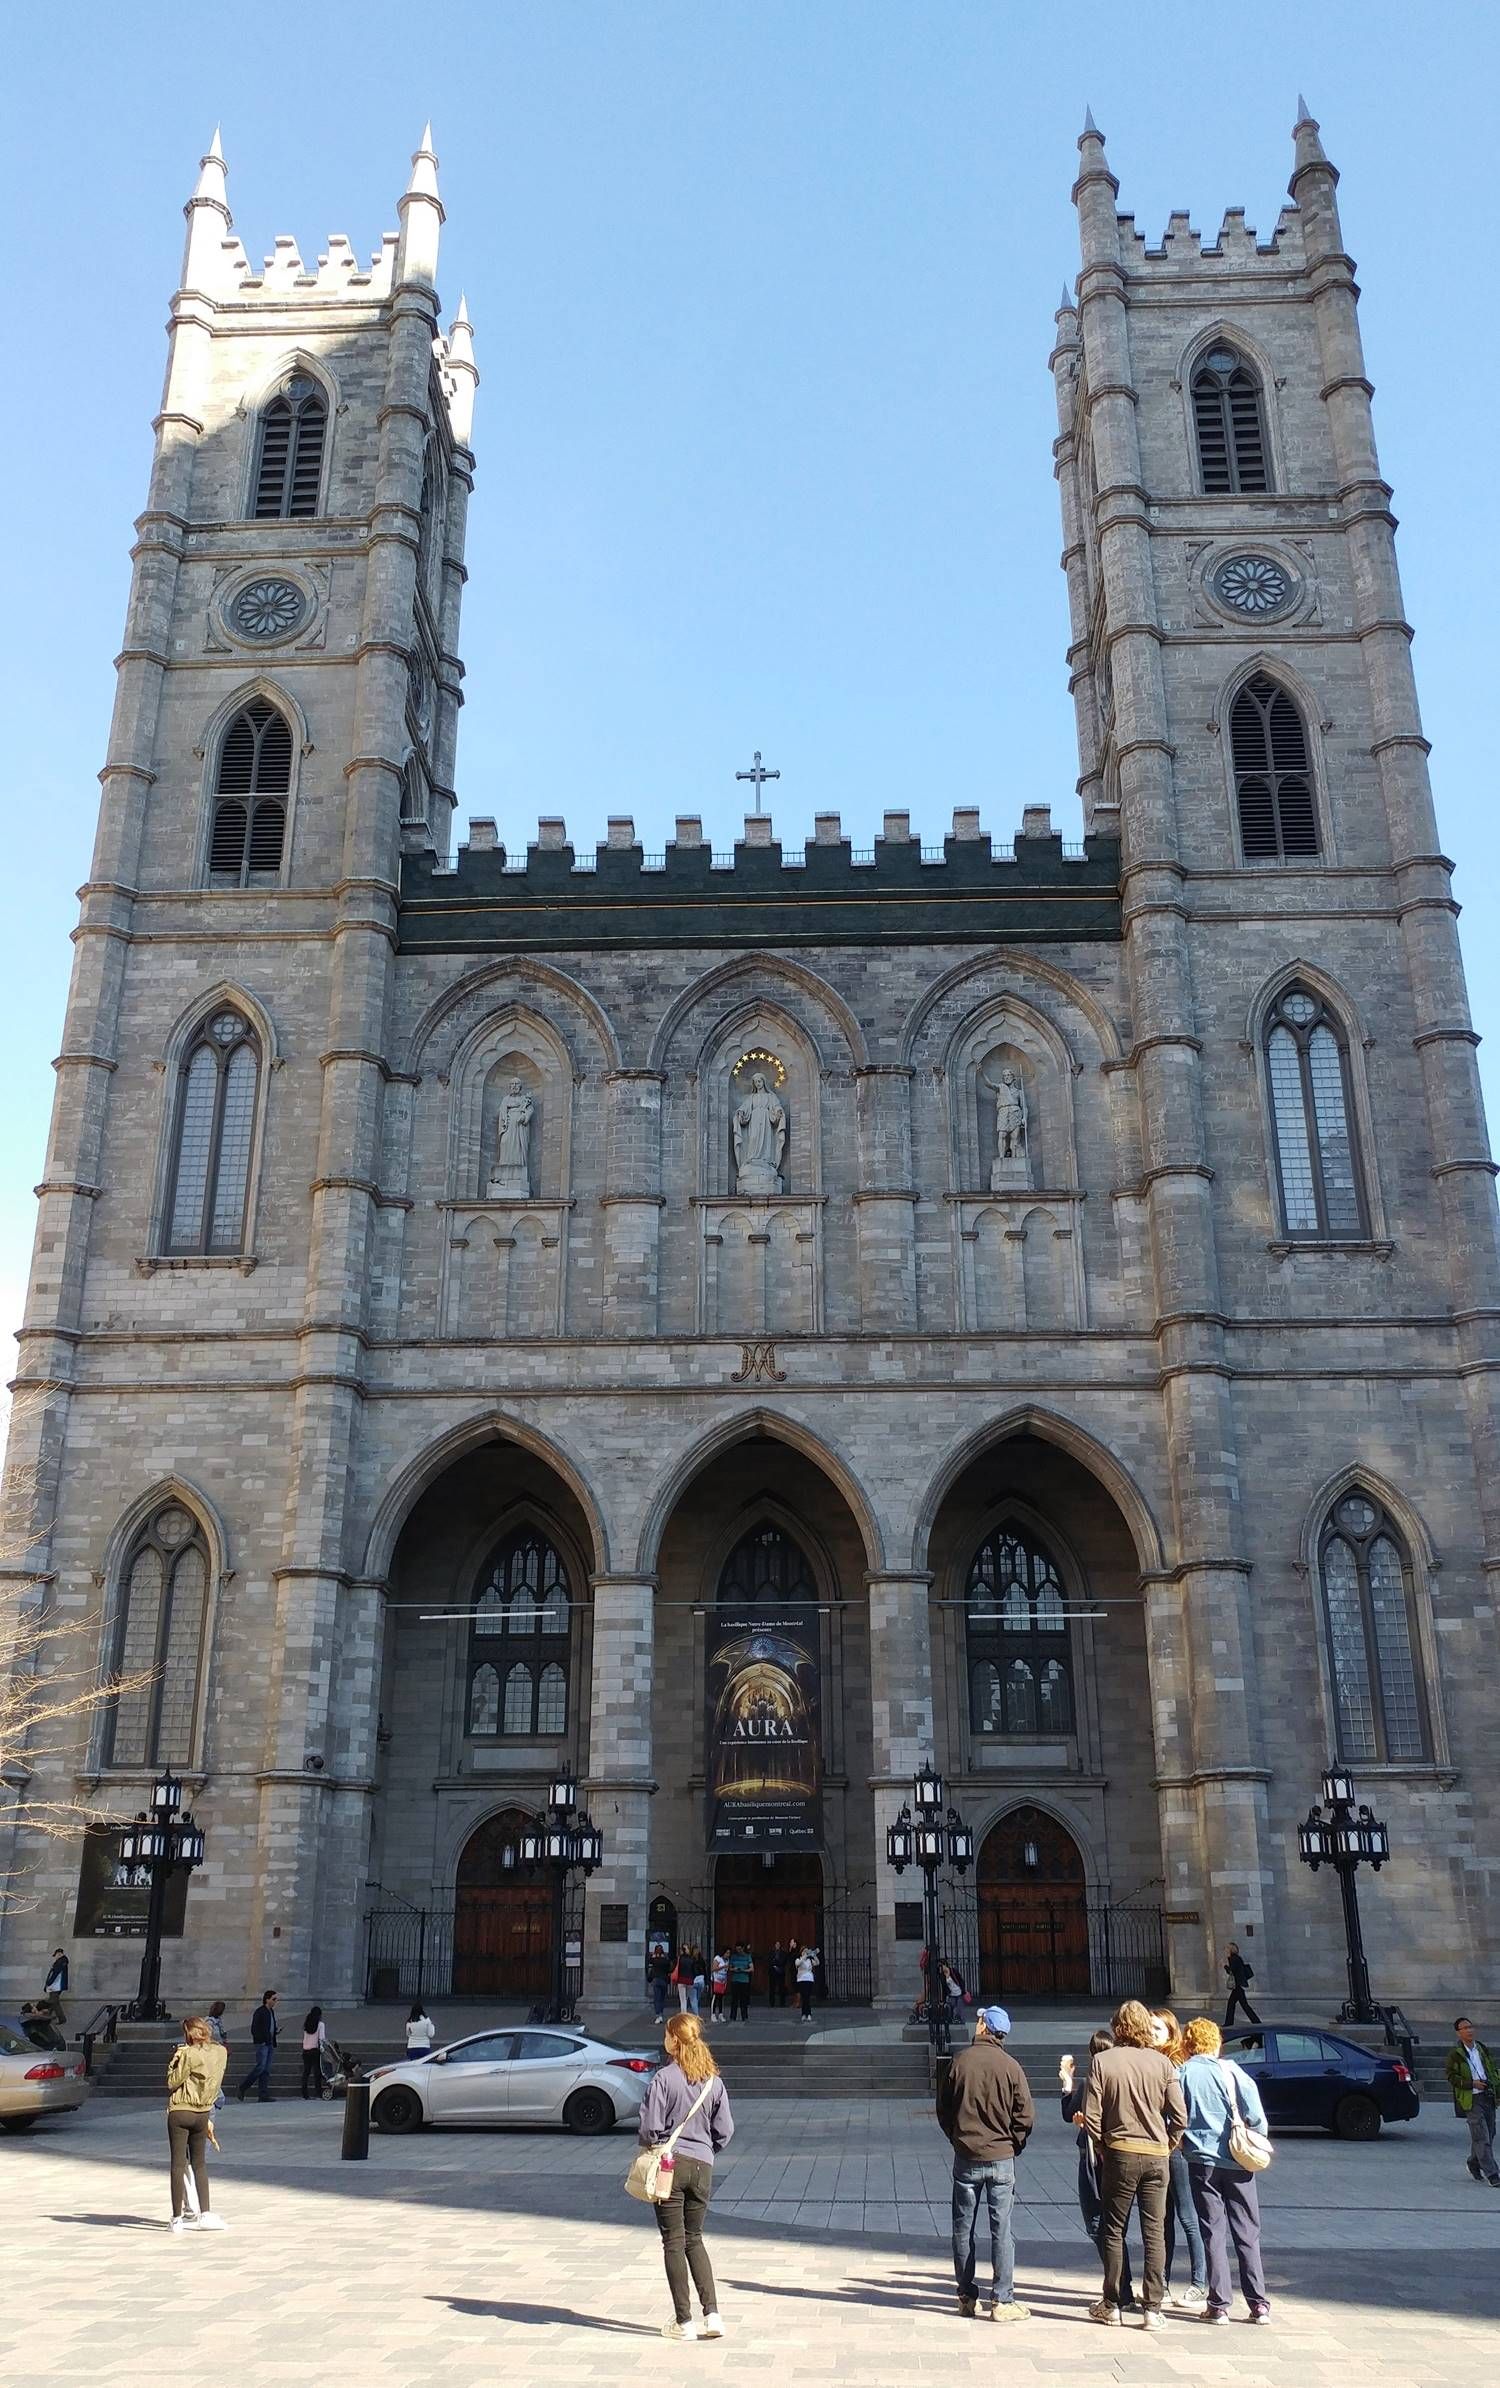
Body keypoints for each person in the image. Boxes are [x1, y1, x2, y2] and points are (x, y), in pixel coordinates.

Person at [1082, 1997, 1187, 2329]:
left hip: (1120, 2153)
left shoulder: (1103, 2061)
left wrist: (1101, 2146)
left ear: (1117, 2027)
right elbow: (1180, 2116)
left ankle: (1112, 2302)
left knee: (1114, 2229)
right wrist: (1166, 2145)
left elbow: (1092, 2117)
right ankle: (1153, 2308)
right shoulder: (1163, 2064)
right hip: (1157, 2156)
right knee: (1154, 2231)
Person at [637, 2011, 734, 2342]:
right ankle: (713, 2314)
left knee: (673, 2242)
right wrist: (707, 2150)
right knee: (696, 2239)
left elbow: (650, 2128)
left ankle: (684, 2321)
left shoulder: (664, 2078)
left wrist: (654, 2143)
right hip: (703, 2165)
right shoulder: (714, 2081)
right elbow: (725, 2130)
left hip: (670, 2165)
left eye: (667, 2034)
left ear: (674, 2040)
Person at [935, 2003, 1033, 2322]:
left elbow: (943, 2109)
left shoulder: (959, 2062)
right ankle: (1002, 2300)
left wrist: (957, 2137)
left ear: (983, 2028)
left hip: (967, 2156)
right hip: (1001, 2157)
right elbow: (1025, 2116)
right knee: (1001, 2229)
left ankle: (966, 2295)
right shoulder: (1011, 2067)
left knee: (963, 2229)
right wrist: (1013, 2144)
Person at [1179, 2016, 1271, 2322]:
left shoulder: (1182, 2073)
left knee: (1212, 2231)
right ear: (1216, 2043)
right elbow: (1256, 2117)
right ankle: (1258, 2303)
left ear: (1188, 2043)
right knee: (1247, 2232)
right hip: (1236, 2159)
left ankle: (1218, 2304)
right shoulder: (1233, 2071)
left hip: (1200, 2161)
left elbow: (1174, 2116)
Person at [1151, 2008, 1207, 2311]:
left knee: (1187, 2215)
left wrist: (1172, 2142)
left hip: (1176, 2150)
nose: (1151, 2034)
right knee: (1162, 2219)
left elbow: (1178, 2112)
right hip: (1161, 2150)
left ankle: (1199, 2282)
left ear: (1172, 2033)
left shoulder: (1174, 2064)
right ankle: (1161, 2280)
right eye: (1149, 2029)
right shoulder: (1154, 2061)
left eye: (1157, 2030)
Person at [167, 2016, 228, 2233]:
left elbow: (172, 2081)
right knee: (200, 2163)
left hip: (181, 2110)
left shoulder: (188, 2054)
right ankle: (206, 2213)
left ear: (189, 2034)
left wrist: (176, 2058)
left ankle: (177, 2218)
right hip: (204, 2111)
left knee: (178, 2163)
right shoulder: (221, 2052)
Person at [1445, 2016, 1500, 2185]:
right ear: (1458, 2033)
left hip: (1487, 2096)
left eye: (1470, 2027)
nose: (1469, 2030)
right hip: (1472, 2098)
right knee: (1480, 2136)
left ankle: (1474, 2162)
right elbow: (1451, 2077)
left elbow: (1491, 2068)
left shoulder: (1481, 2049)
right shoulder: (1455, 2055)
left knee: (1489, 2133)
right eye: (1464, 2028)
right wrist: (1471, 2084)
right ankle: (1493, 2174)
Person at [237, 1989, 279, 2102]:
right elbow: (254, 2029)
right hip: (262, 2043)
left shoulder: (271, 2012)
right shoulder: (260, 2011)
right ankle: (243, 2087)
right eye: (274, 1999)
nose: (276, 2001)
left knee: (266, 2069)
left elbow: (270, 2026)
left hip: (269, 2042)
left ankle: (263, 2094)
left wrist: (275, 2032)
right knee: (260, 2067)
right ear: (267, 1999)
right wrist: (262, 2039)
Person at [1222, 1941, 1260, 2026]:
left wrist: (1225, 1966)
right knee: (1237, 2004)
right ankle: (1255, 2021)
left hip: (1237, 1985)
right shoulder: (1236, 1958)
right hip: (1238, 1985)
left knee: (1240, 2004)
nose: (1225, 1950)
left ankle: (1255, 2021)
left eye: (1227, 1948)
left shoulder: (1234, 1958)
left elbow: (1231, 1971)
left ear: (1231, 1950)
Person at [300, 2005, 327, 2099]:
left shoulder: (307, 2024)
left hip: (306, 2050)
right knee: (317, 2072)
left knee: (306, 2072)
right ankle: (318, 2092)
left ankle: (304, 2093)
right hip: (315, 2050)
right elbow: (322, 2038)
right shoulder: (320, 2024)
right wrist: (323, 2048)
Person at [206, 2000, 229, 2109]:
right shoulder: (209, 2022)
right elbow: (209, 2037)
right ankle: (215, 2098)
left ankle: (216, 2097)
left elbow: (222, 2035)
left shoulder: (219, 2021)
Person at [727, 1943, 753, 2024]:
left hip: (744, 1980)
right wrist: (734, 1969)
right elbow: (729, 1967)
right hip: (735, 1980)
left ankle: (744, 2016)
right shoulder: (734, 1957)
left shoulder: (747, 1957)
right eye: (737, 1949)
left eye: (740, 1949)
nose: (738, 1951)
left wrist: (744, 1970)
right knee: (734, 1999)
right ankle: (732, 2016)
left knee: (743, 2000)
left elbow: (751, 1968)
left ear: (743, 1948)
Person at [43, 1949, 69, 2026]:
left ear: (59, 1953)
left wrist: (48, 1983)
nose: (55, 1957)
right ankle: (47, 2017)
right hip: (56, 1985)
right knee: (53, 2001)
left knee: (53, 2002)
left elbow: (55, 1974)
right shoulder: (62, 1962)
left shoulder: (60, 1962)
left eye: (56, 1955)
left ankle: (60, 2018)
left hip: (56, 1985)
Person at [650, 1944, 673, 2023]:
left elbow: (649, 1962)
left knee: (657, 1998)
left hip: (656, 1980)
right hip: (664, 1980)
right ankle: (661, 2014)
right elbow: (670, 1968)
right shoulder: (665, 1959)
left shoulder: (654, 1959)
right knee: (662, 1998)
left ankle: (658, 2015)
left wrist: (653, 1956)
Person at [794, 1943, 817, 2023]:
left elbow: (817, 1963)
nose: (805, 1953)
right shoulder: (799, 1959)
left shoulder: (810, 1960)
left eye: (806, 1951)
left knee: (807, 1997)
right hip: (801, 1979)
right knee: (804, 1997)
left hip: (809, 1979)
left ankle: (808, 2014)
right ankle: (804, 2014)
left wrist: (813, 1955)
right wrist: (804, 1956)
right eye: (804, 1951)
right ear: (801, 1952)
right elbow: (797, 1964)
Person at [709, 1950, 729, 2023]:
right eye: (727, 1953)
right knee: (716, 1996)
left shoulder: (727, 1960)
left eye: (729, 1953)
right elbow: (713, 1969)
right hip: (716, 1979)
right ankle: (713, 2014)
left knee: (721, 1997)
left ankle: (720, 2014)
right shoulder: (717, 1958)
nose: (728, 1955)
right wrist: (723, 1966)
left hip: (723, 1980)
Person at [768, 1943, 788, 2009]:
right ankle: (771, 2003)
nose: (777, 1946)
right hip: (772, 1972)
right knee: (772, 1988)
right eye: (776, 1944)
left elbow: (783, 1962)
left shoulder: (783, 1953)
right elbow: (769, 1961)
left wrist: (776, 1962)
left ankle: (782, 2003)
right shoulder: (771, 1953)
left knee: (781, 1988)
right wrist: (774, 1964)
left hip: (780, 1972)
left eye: (778, 1945)